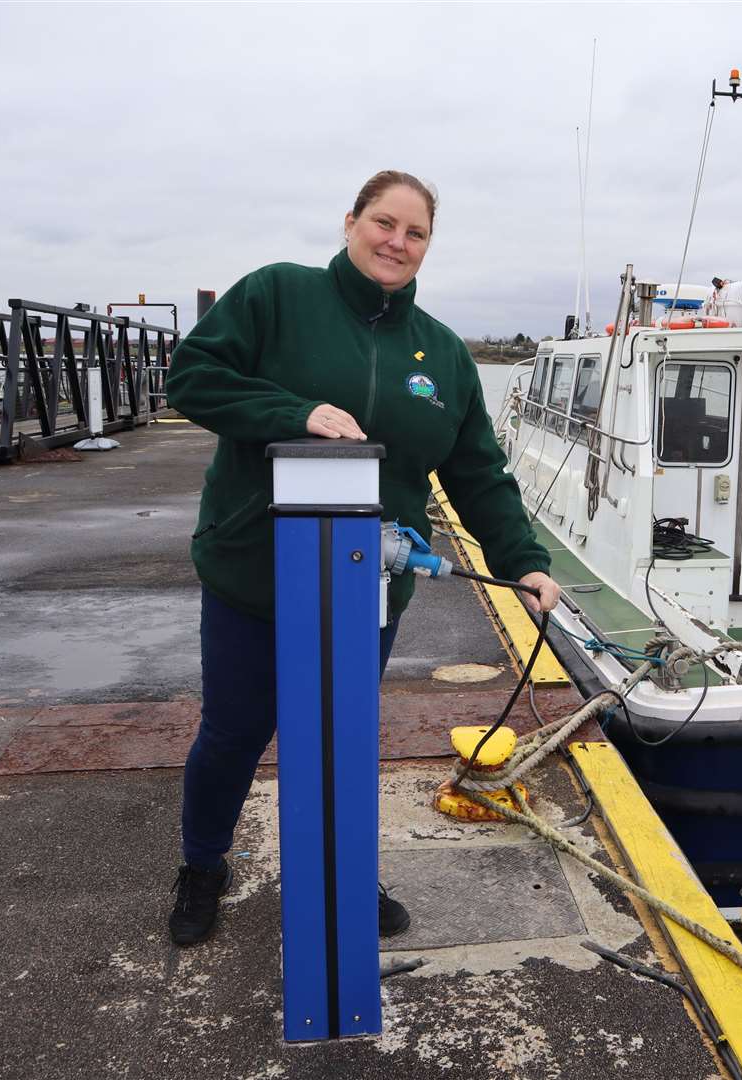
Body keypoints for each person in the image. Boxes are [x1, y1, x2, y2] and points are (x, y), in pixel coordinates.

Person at [163, 170, 562, 947]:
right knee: (235, 731)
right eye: (385, 223)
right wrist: (294, 412)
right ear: (351, 222)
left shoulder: (444, 355)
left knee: (341, 738)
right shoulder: (277, 296)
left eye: (415, 234)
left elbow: (478, 472)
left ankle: (342, 870)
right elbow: (193, 377)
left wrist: (526, 561)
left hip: (365, 590)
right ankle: (204, 865)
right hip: (255, 574)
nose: (397, 243)